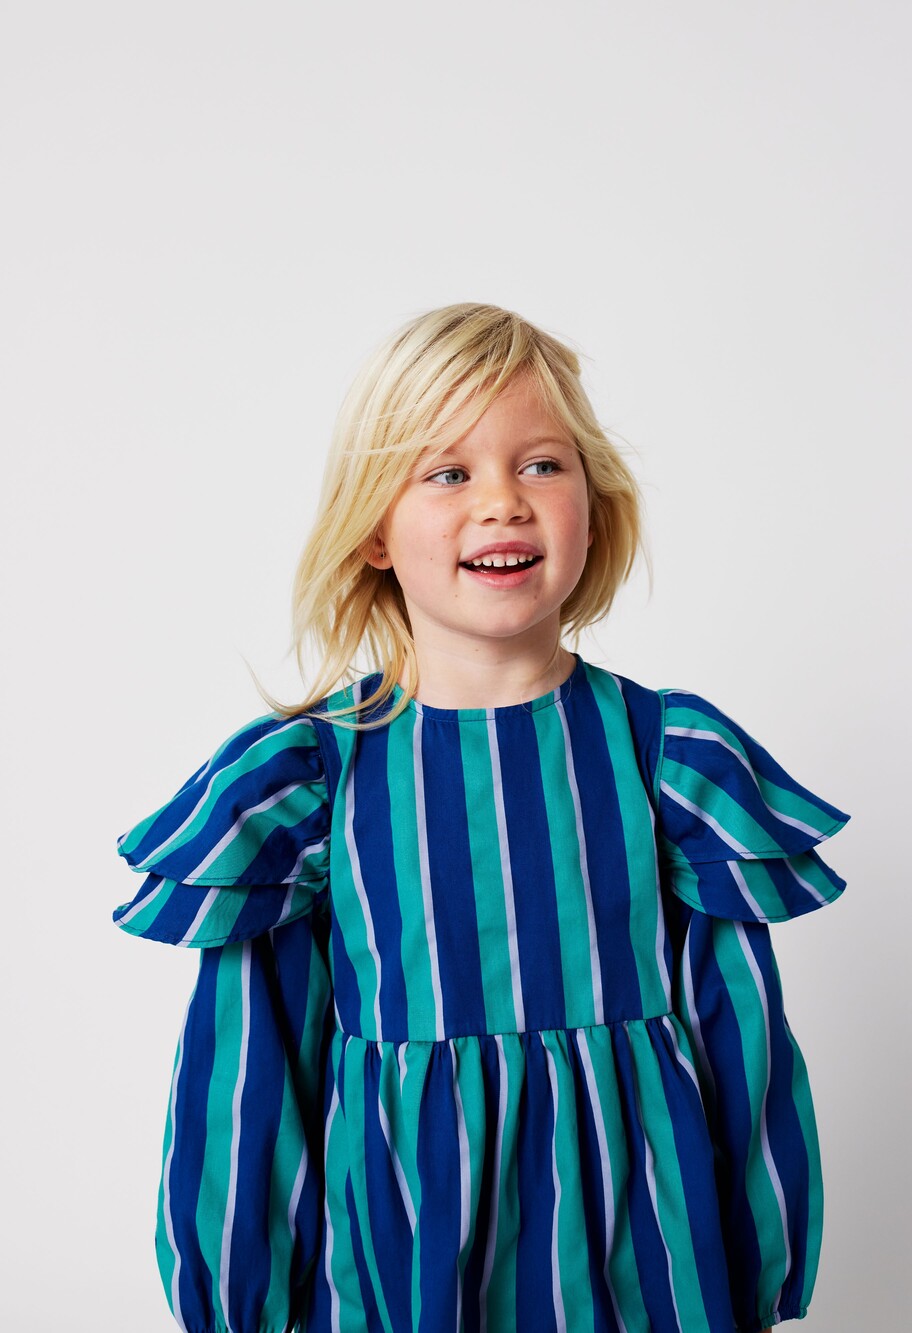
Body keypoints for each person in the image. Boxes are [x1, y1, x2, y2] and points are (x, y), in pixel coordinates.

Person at [114, 303, 851, 1333]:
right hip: (401, 1266)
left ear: (593, 503)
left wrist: (758, 1268)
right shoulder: (312, 781)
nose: (502, 501)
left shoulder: (666, 760)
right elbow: (248, 1070)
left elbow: (745, 1041)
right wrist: (236, 1295)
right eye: (448, 472)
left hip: (645, 1267)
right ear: (375, 528)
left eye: (542, 464)